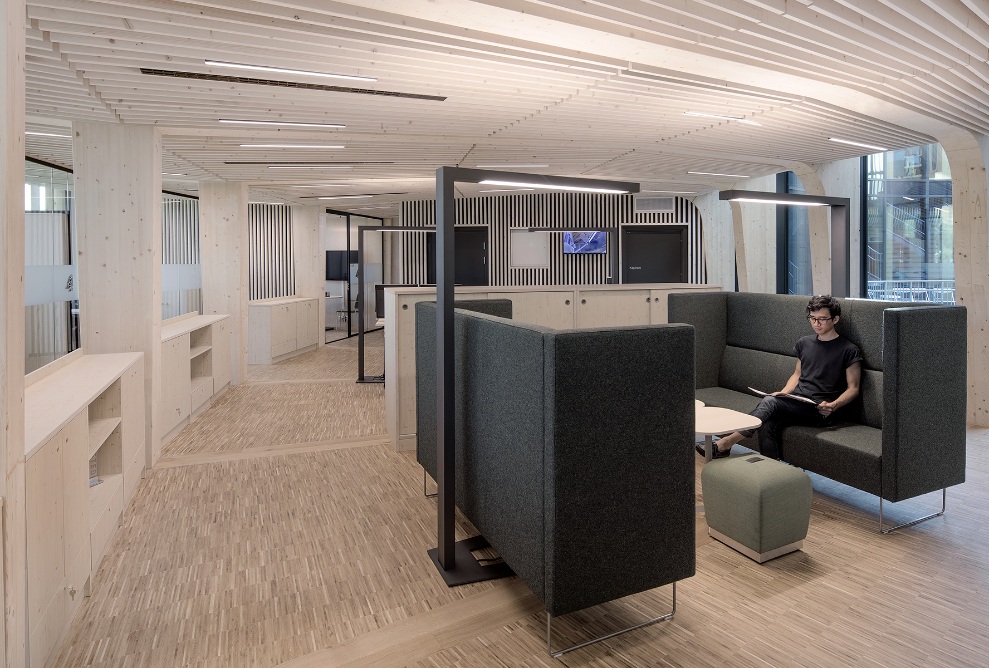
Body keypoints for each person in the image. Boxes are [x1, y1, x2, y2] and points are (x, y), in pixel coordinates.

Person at [702, 295, 863, 460]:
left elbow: (853, 388)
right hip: (798, 402)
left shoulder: (848, 349)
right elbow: (797, 375)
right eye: (812, 318)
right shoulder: (804, 343)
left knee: (770, 402)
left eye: (822, 319)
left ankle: (726, 442)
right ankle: (772, 473)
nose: (816, 323)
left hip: (821, 410)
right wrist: (784, 393)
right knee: (767, 422)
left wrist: (833, 405)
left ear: (835, 319)